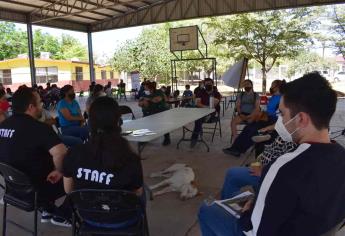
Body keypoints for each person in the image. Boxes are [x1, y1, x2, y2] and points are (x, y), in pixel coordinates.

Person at [200, 72, 345, 236]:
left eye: (282, 114)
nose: (280, 121)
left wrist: (248, 212)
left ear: (301, 119)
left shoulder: (283, 167)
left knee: (207, 208)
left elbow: (256, 231)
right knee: (237, 194)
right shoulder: (341, 155)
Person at [63, 96, 143, 228]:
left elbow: (68, 190)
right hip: (124, 218)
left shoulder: (74, 153)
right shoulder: (130, 158)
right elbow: (137, 193)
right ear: (118, 122)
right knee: (143, 192)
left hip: (88, 216)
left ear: (90, 122)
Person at [0, 86, 70, 226]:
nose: (41, 105)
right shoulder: (39, 128)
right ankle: (63, 214)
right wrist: (59, 170)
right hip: (40, 189)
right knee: (78, 170)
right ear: (31, 107)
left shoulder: (2, 126)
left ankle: (48, 209)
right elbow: (61, 152)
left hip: (13, 188)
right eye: (39, 102)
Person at [223, 80, 285, 157]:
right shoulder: (275, 96)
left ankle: (238, 149)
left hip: (272, 120)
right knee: (248, 128)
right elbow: (269, 108)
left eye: (272, 85)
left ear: (277, 87)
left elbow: (279, 114)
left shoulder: (282, 98)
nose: (271, 87)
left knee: (252, 130)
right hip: (267, 118)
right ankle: (236, 148)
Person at [190, 78, 221, 148]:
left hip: (212, 114)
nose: (208, 85)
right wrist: (206, 107)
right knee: (199, 119)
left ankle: (194, 138)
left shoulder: (216, 93)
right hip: (201, 113)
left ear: (213, 84)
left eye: (210, 84)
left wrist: (204, 107)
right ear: (204, 85)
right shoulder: (200, 92)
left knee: (198, 120)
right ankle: (197, 134)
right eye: (206, 84)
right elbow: (197, 103)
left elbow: (213, 104)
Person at [138, 81, 171, 146]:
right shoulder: (143, 93)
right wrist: (142, 103)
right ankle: (145, 139)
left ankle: (167, 138)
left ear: (151, 88)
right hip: (147, 112)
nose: (144, 89)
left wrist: (146, 99)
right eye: (144, 87)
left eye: (145, 87)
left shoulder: (159, 92)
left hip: (159, 111)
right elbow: (140, 103)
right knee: (145, 125)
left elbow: (157, 100)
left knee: (163, 125)